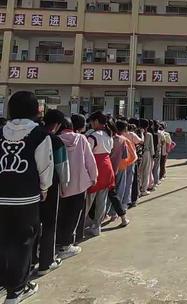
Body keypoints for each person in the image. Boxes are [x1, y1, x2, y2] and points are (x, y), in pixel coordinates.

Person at [0, 91, 53, 303]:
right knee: (23, 242)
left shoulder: (1, 131)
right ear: (36, 110)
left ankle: (5, 281)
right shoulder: (40, 135)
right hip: (26, 198)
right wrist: (45, 188)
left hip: (1, 196)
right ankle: (16, 291)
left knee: (2, 240)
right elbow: (45, 167)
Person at [57, 116, 97, 259]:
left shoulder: (55, 139)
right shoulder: (81, 139)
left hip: (60, 185)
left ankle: (55, 242)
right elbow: (89, 160)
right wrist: (94, 177)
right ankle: (66, 245)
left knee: (59, 215)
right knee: (73, 215)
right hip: (79, 184)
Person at [35, 109, 70, 276]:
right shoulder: (55, 140)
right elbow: (62, 166)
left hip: (30, 187)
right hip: (51, 186)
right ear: (57, 125)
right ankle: (46, 262)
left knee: (33, 224)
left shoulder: (34, 135)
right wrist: (65, 185)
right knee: (49, 224)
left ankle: (32, 259)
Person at [85, 112, 115, 237]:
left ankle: (80, 224)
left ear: (96, 121)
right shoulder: (109, 135)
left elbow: (86, 154)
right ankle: (97, 226)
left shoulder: (93, 137)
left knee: (88, 200)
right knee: (101, 201)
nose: (91, 125)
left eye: (92, 122)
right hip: (107, 168)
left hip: (95, 168)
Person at [125, 120, 143, 208]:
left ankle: (125, 200)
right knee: (132, 180)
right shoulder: (131, 134)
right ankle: (132, 199)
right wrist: (142, 133)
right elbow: (141, 141)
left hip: (122, 160)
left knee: (122, 182)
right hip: (131, 160)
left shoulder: (117, 135)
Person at [138, 118, 154, 196]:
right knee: (146, 172)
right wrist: (153, 155)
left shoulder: (138, 133)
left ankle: (138, 188)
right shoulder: (149, 134)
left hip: (139, 153)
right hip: (147, 153)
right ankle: (144, 189)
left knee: (139, 172)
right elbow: (151, 147)